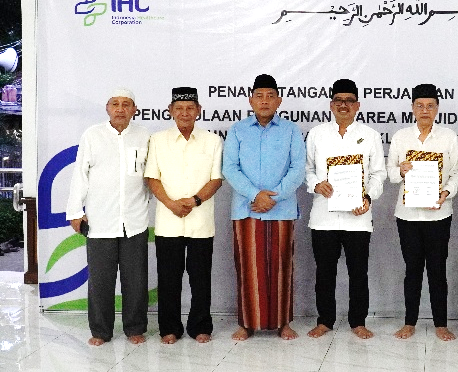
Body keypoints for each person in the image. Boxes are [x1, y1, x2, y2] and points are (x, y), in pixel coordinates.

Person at [222, 74, 305, 341]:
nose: (265, 101)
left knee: (282, 267)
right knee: (248, 267)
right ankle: (247, 323)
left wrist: (273, 198)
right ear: (251, 101)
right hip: (246, 209)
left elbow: (298, 168)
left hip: (282, 209)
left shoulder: (291, 130)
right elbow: (229, 168)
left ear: (279, 101)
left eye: (270, 96)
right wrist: (255, 195)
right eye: (259, 96)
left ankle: (283, 323)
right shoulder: (238, 130)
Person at [66, 88, 150, 346]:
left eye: (126, 104)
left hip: (135, 220)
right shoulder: (92, 135)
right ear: (107, 108)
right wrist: (75, 211)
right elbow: (80, 174)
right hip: (100, 220)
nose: (120, 109)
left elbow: (151, 175)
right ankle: (101, 331)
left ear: (134, 109)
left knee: (136, 280)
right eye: (115, 104)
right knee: (100, 281)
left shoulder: (144, 136)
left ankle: (135, 328)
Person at [305, 78, 387, 340]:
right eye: (338, 101)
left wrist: (368, 198)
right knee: (324, 273)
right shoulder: (317, 134)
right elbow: (307, 169)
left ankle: (358, 321)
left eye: (349, 101)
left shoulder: (370, 135)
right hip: (324, 217)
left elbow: (378, 174)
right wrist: (316, 184)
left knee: (358, 272)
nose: (343, 105)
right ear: (331, 105)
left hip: (358, 217)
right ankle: (324, 321)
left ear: (357, 105)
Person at [144, 87, 223, 344]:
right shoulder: (158, 140)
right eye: (179, 108)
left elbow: (216, 179)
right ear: (170, 111)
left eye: (190, 108)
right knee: (168, 279)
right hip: (168, 221)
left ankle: (200, 326)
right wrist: (170, 203)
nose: (185, 113)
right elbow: (152, 177)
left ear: (198, 110)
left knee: (201, 279)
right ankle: (169, 328)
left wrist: (195, 200)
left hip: (201, 221)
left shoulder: (212, 141)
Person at [387, 84, 458, 342]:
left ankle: (441, 324)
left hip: (438, 214)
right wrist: (401, 170)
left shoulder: (448, 137)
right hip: (407, 215)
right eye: (420, 106)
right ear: (412, 108)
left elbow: (457, 173)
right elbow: (390, 173)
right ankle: (409, 322)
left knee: (437, 270)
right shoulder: (401, 137)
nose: (425, 110)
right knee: (412, 270)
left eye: (430, 106)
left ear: (437, 109)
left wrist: (446, 192)